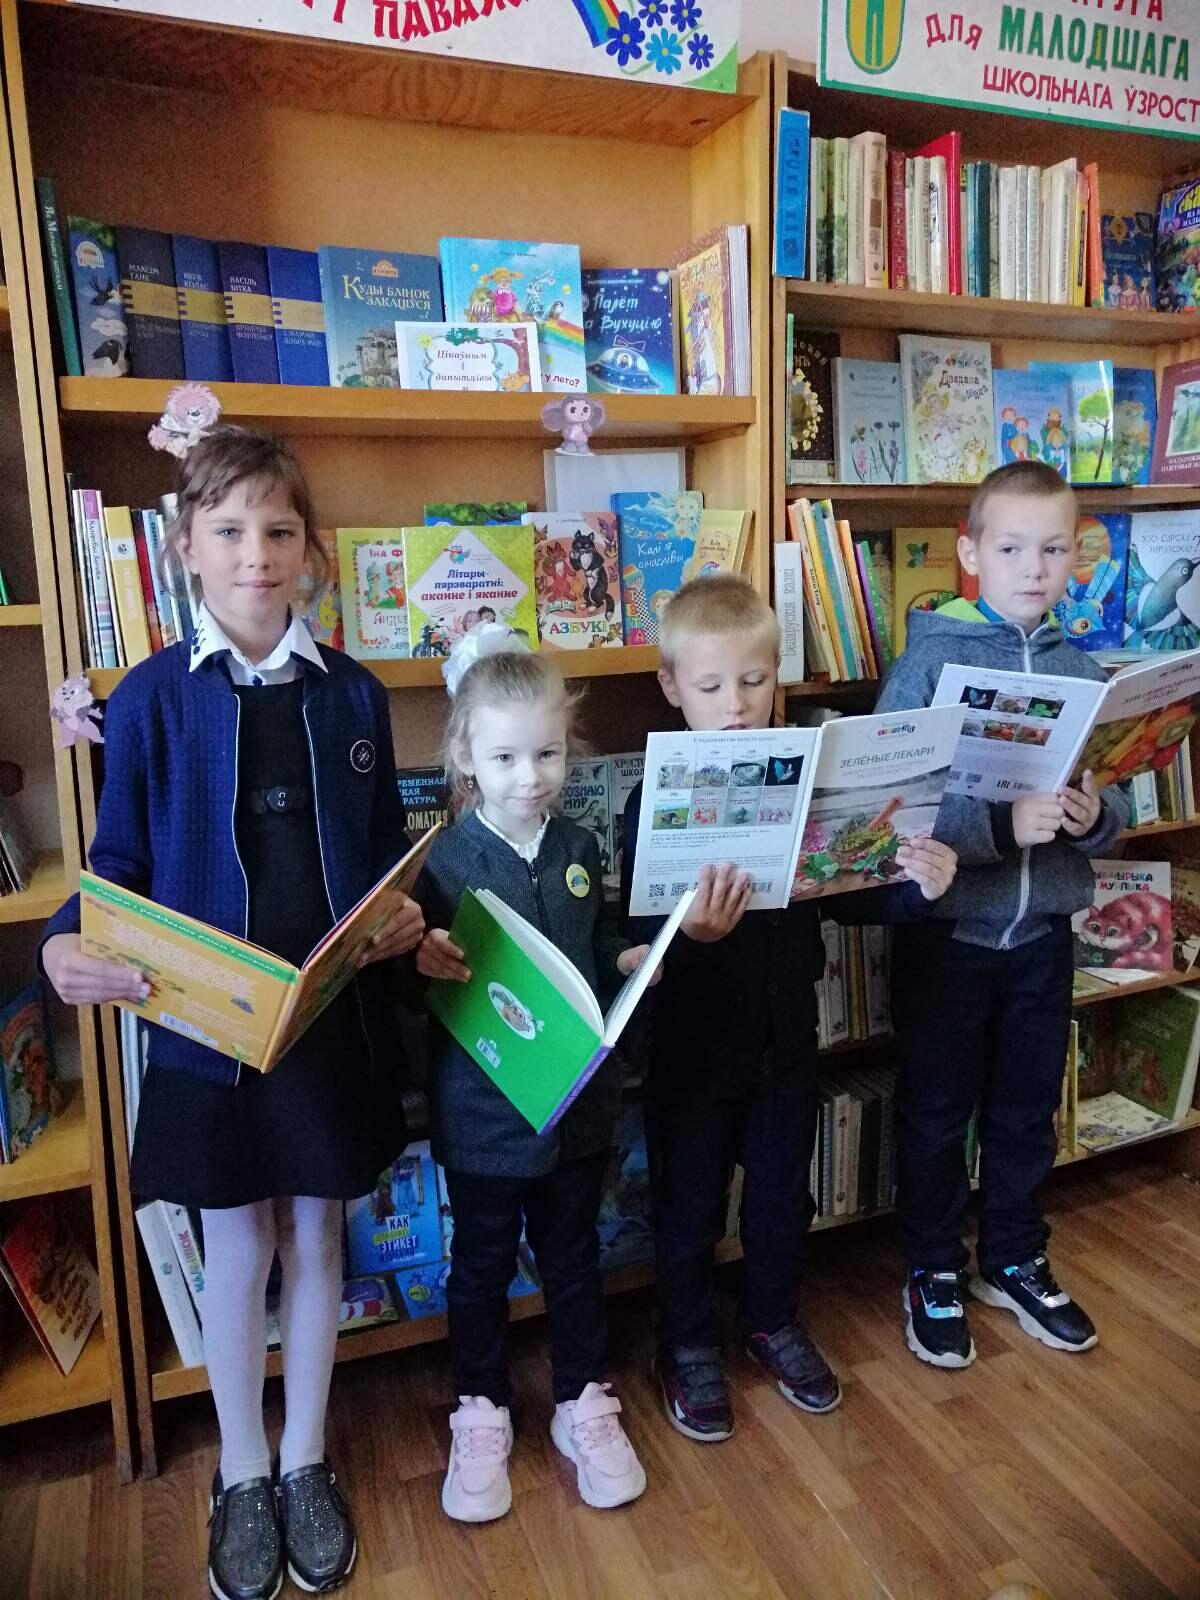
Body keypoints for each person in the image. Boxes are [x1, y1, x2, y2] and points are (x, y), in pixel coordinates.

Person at [40, 426, 424, 1600]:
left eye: (279, 530)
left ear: (310, 551)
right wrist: (62, 941)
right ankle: (243, 1469)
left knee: (317, 1235)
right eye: (230, 530)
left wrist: (404, 918)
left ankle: (305, 1458)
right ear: (186, 549)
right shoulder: (151, 699)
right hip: (205, 1037)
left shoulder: (353, 692)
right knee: (236, 1245)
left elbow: (381, 857)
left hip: (322, 1027)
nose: (257, 553)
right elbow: (114, 864)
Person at [620, 575, 958, 1443]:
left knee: (780, 1197)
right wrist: (688, 934)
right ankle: (686, 1339)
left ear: (780, 676)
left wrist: (913, 886)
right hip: (692, 1052)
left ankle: (772, 1319)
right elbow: (632, 936)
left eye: (755, 680)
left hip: (786, 1040)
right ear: (671, 687)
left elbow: (848, 891)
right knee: (689, 1203)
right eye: (711, 686)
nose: (737, 705)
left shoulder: (805, 777)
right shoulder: (650, 796)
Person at [875, 459, 1129, 1369]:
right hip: (951, 938)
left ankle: (1015, 1255)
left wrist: (1094, 817)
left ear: (1077, 557)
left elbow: (1113, 801)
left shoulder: (1082, 669)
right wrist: (997, 827)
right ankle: (934, 1267)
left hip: (1041, 937)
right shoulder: (930, 661)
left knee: (1026, 1112)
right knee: (938, 1113)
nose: (1034, 568)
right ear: (972, 553)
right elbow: (887, 808)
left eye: (1054, 550)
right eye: (1013, 549)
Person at [412, 627, 656, 1523]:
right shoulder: (444, 862)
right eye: (506, 758)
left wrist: (628, 959)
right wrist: (421, 963)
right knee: (479, 1264)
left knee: (574, 1254)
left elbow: (596, 946)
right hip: (484, 1113)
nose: (530, 777)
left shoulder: (581, 845)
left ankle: (582, 1399)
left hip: (577, 1106)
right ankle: (480, 1407)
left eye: (547, 754)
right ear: (465, 759)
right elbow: (417, 985)